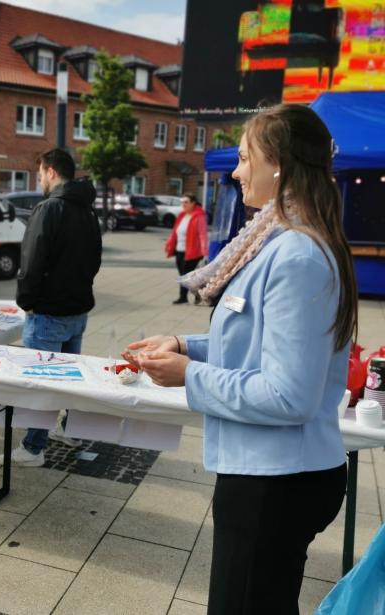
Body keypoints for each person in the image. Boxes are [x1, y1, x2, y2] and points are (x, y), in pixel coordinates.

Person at [124, 104, 355, 614]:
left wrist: (189, 375)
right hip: (269, 473)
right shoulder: (278, 242)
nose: (235, 171)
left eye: (245, 158)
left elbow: (288, 395)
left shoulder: (296, 255)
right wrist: (185, 346)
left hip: (276, 481)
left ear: (279, 165)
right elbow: (256, 346)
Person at [0, 148, 102, 466]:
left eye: (40, 173)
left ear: (52, 172)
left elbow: (31, 261)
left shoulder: (49, 208)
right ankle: (71, 429)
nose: (39, 179)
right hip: (77, 309)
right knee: (69, 376)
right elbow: (94, 259)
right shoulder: (87, 210)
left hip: (48, 312)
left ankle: (33, 448)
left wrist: (26, 301)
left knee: (40, 381)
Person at [165, 193, 208, 304]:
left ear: (193, 203)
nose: (183, 204)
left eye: (186, 202)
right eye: (182, 202)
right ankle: (197, 293)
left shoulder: (199, 216)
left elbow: (202, 235)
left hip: (193, 252)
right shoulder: (181, 216)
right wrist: (169, 243)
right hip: (179, 250)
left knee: (186, 276)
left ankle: (184, 297)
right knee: (183, 275)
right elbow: (175, 232)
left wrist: (204, 252)